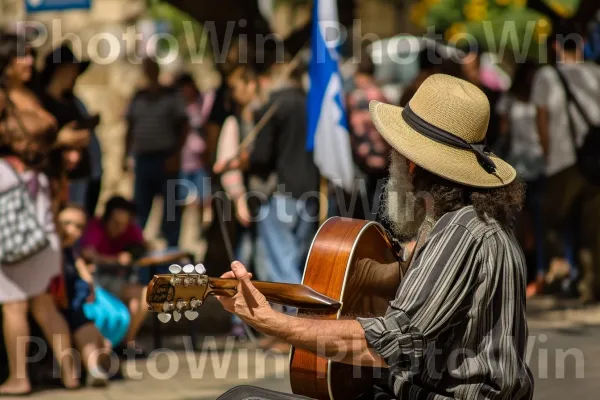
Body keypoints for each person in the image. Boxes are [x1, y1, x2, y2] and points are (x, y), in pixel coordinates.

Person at [216, 74, 533, 399]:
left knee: (240, 398)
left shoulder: (462, 232)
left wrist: (271, 321)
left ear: (411, 165)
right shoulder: (472, 223)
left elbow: (390, 342)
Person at [0, 33, 81, 396]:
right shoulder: (3, 97)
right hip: (10, 199)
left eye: (31, 56)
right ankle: (30, 375)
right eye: (22, 57)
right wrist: (58, 142)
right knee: (17, 300)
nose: (30, 62)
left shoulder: (29, 94)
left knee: (32, 299)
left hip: (36, 200)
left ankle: (55, 374)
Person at [215, 58, 320, 285]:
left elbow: (262, 157)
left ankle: (292, 318)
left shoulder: (274, 106)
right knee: (297, 263)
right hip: (310, 194)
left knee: (282, 270)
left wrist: (238, 163)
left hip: (282, 195)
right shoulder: (312, 104)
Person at [531, 26, 600, 303]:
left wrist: (548, 155)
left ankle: (558, 270)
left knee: (550, 219)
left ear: (557, 47)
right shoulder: (596, 72)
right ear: (581, 46)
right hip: (595, 163)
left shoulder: (547, 75)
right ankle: (590, 286)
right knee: (592, 229)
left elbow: (542, 119)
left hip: (563, 161)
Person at [125, 57, 187, 248]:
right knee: (139, 210)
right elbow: (130, 127)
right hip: (143, 159)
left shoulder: (171, 96)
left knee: (170, 210)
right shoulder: (138, 97)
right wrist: (125, 155)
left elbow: (183, 125)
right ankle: (136, 252)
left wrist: (176, 155)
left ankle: (172, 252)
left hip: (165, 158)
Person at [497, 61, 546, 296]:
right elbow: (504, 134)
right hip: (518, 167)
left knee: (540, 223)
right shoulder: (509, 100)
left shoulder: (542, 98)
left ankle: (540, 274)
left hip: (542, 164)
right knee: (520, 224)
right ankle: (524, 275)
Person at [39, 44, 103, 217]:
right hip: (53, 176)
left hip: (78, 177)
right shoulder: (40, 103)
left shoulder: (74, 102)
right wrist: (62, 140)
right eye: (71, 70)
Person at [80, 195, 148, 349]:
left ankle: (126, 343)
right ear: (106, 218)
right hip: (96, 281)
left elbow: (145, 245)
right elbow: (88, 254)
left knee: (142, 297)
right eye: (116, 223)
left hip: (118, 280)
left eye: (124, 224)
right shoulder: (95, 228)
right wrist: (116, 260)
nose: (121, 229)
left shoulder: (131, 229)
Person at [58, 204, 111, 387]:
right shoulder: (50, 252)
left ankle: (93, 370)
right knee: (84, 326)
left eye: (79, 226)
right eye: (66, 223)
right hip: (58, 309)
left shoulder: (71, 252)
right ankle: (90, 369)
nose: (72, 230)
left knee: (93, 332)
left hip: (74, 310)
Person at [347, 48, 391, 221]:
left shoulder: (354, 97)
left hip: (362, 161)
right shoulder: (381, 95)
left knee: (363, 208)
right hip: (382, 160)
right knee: (378, 206)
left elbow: (353, 131)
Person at [175, 73, 213, 231]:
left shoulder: (202, 103)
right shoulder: (177, 108)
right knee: (183, 201)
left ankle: (202, 232)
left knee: (204, 201)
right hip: (183, 163)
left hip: (200, 163)